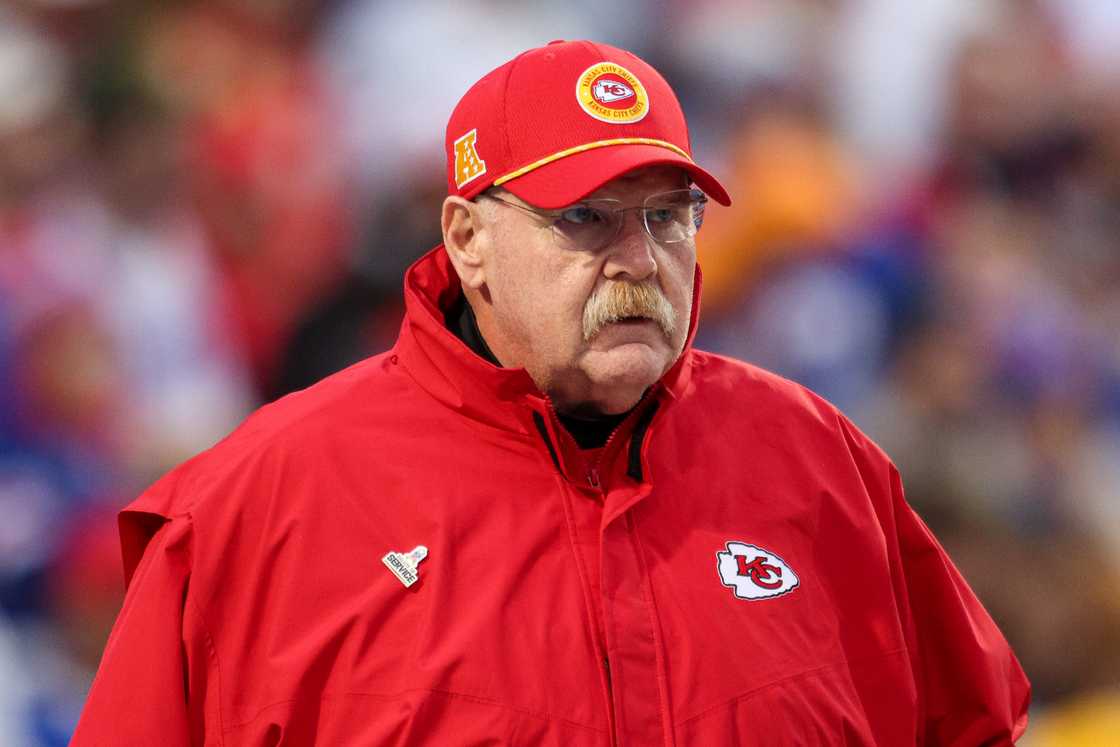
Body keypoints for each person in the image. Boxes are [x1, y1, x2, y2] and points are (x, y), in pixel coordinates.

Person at [72, 40, 1029, 745]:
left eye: (668, 215)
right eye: (586, 217)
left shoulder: (823, 463)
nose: (639, 260)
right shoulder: (255, 505)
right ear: (467, 236)